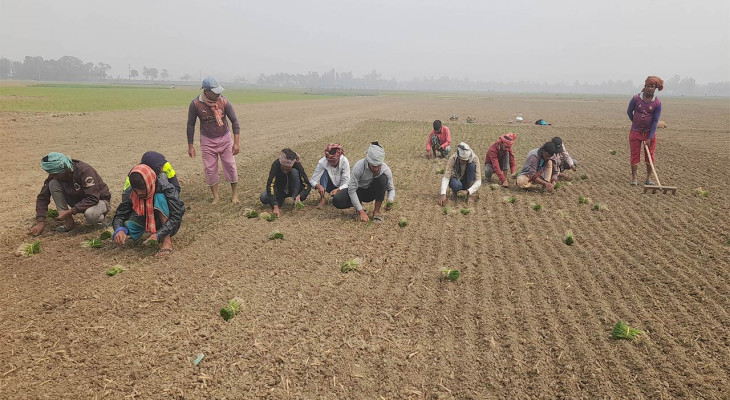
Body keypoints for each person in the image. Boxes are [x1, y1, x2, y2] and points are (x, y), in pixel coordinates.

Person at [187, 76, 240, 203]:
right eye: (215, 92)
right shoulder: (196, 104)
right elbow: (190, 124)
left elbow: (235, 122)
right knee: (210, 169)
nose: (218, 94)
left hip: (225, 138)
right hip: (207, 140)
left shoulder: (224, 102)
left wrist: (236, 143)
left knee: (231, 166)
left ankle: (234, 195)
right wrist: (190, 146)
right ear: (206, 91)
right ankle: (216, 196)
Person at [30, 152, 111, 235]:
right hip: (78, 201)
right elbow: (43, 197)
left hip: (99, 201)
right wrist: (40, 222)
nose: (53, 176)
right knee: (53, 183)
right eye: (52, 174)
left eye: (56, 174)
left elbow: (93, 197)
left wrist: (71, 211)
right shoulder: (56, 174)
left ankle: (103, 221)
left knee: (91, 214)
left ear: (66, 169)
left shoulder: (84, 171)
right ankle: (68, 221)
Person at [112, 164, 185, 256]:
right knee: (125, 226)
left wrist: (159, 234)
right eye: (136, 190)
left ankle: (166, 241)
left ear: (149, 183)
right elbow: (121, 214)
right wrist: (119, 229)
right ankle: (144, 233)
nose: (139, 193)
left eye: (142, 189)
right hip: (144, 218)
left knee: (159, 198)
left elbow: (176, 216)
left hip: (167, 220)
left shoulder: (166, 188)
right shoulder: (130, 192)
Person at [333, 142, 395, 223]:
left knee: (382, 179)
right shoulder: (359, 167)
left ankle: (376, 212)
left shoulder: (385, 169)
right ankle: (358, 208)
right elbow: (352, 190)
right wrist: (361, 211)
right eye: (374, 165)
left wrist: (390, 200)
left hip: (372, 192)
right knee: (337, 200)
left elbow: (391, 189)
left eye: (378, 165)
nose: (376, 169)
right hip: (359, 191)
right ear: (368, 161)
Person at [627, 76, 663, 186]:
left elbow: (655, 121)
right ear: (645, 86)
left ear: (655, 88)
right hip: (636, 131)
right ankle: (634, 178)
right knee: (634, 154)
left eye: (652, 86)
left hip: (649, 133)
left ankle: (648, 178)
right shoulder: (636, 99)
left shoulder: (657, 103)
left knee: (650, 156)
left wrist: (650, 137)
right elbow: (629, 111)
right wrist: (635, 123)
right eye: (648, 86)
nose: (650, 88)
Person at [260, 149, 312, 218]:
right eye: (283, 168)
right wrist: (275, 206)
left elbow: (307, 185)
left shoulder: (297, 165)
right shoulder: (276, 165)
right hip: (280, 189)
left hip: (294, 189)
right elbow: (270, 185)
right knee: (264, 197)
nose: (285, 171)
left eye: (288, 169)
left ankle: (295, 200)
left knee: (294, 172)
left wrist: (300, 195)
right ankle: (280, 199)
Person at [309, 143, 350, 208]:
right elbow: (312, 180)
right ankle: (322, 199)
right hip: (329, 185)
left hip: (341, 187)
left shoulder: (344, 161)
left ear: (339, 157)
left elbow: (346, 182)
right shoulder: (322, 162)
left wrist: (338, 189)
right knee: (324, 172)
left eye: (333, 161)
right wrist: (318, 186)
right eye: (329, 161)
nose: (331, 163)